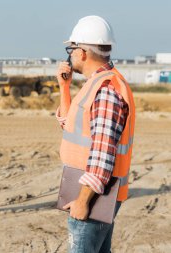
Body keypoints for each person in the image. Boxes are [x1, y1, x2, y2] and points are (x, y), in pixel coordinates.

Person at [56, 16, 135, 252]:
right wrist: (64, 87)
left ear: (81, 52)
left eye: (71, 49)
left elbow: (103, 152)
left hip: (94, 196)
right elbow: (69, 125)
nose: (69, 55)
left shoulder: (107, 90)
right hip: (93, 192)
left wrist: (83, 201)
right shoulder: (96, 84)